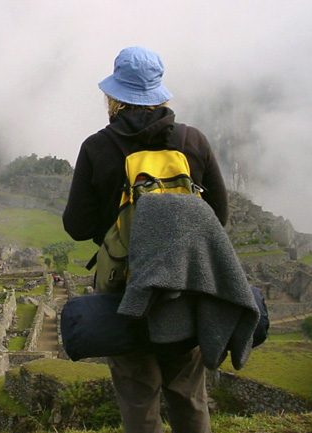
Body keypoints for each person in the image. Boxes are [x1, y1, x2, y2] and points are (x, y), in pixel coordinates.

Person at [62, 46, 229, 433]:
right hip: (187, 282)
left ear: (114, 95)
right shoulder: (193, 141)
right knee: (188, 392)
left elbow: (76, 224)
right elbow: (217, 216)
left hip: (125, 285)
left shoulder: (98, 147)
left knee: (138, 394)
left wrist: (118, 230)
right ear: (158, 92)